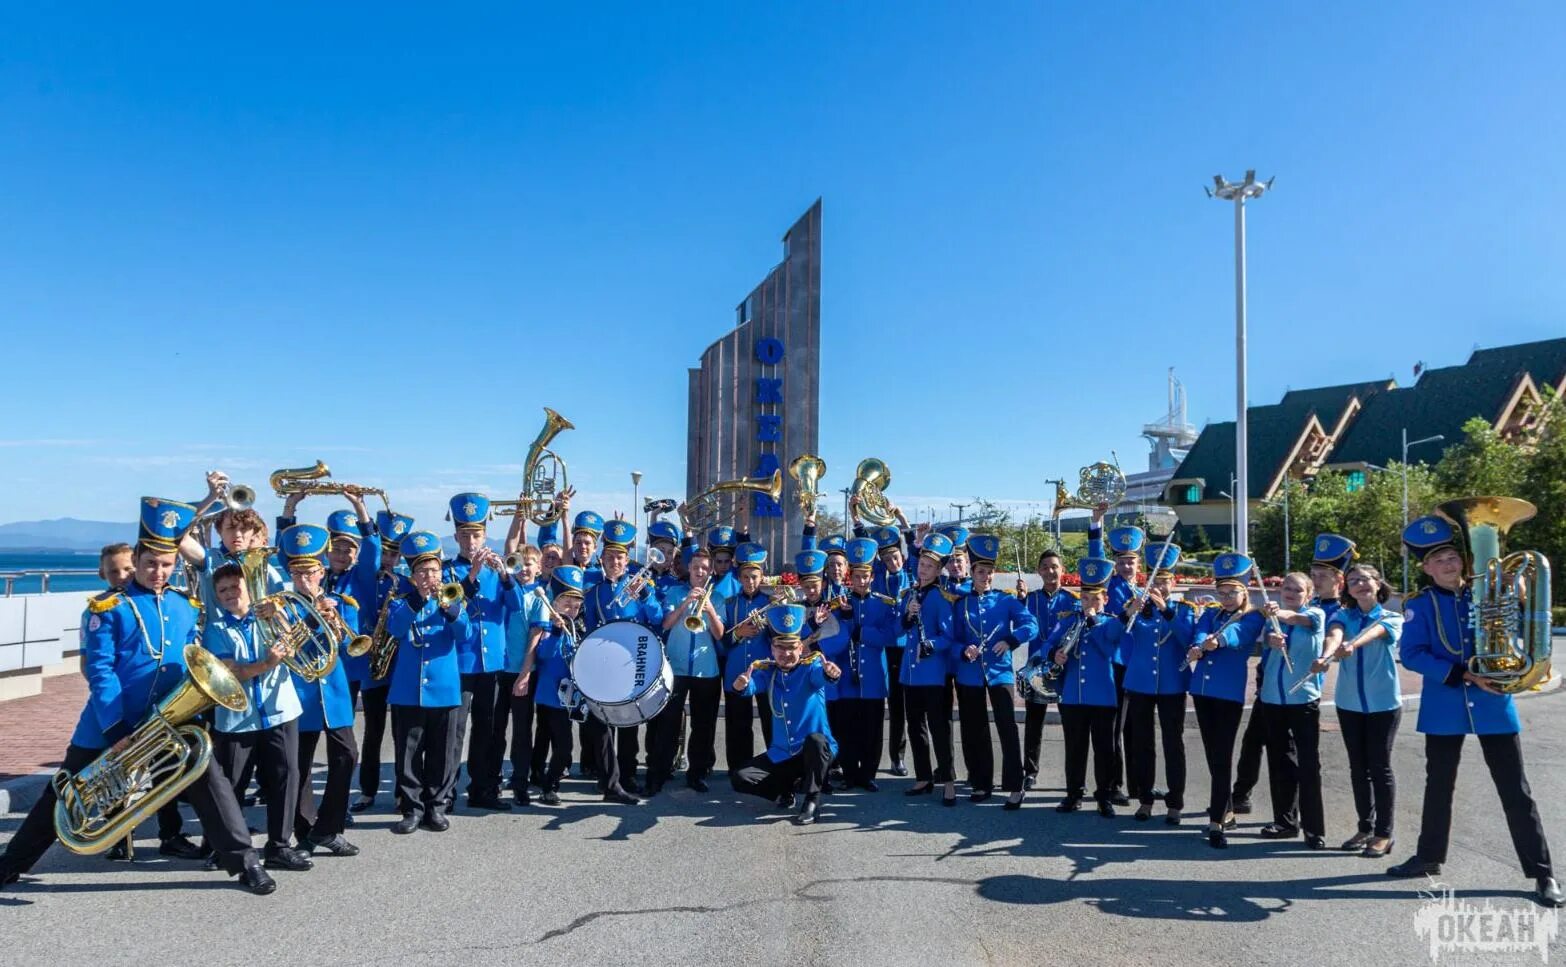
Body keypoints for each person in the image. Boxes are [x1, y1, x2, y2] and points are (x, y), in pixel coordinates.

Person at [0, 498, 273, 895]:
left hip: (172, 719)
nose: (159, 572)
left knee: (210, 783)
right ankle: (10, 865)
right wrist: (115, 728)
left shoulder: (185, 605)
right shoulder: (109, 608)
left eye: (166, 565)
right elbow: (101, 672)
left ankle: (246, 863)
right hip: (111, 722)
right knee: (64, 792)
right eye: (151, 564)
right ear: (136, 561)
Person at [1388, 513, 1562, 907]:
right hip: (1447, 702)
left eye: (1452, 555)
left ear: (1463, 560)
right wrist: (1461, 674)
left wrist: (1517, 600)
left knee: (1515, 790)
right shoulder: (1420, 604)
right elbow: (1411, 653)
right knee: (1438, 786)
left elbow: (1520, 633)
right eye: (1439, 560)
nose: (1449, 564)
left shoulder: (1493, 592)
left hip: (1493, 702)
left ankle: (1542, 873)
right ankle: (1429, 856)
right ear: (1426, 567)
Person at [91, 541, 202, 863]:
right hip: (120, 709)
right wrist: (113, 721)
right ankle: (117, 833)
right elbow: (96, 667)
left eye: (127, 569)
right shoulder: (106, 607)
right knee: (115, 777)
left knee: (165, 774)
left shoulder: (180, 603)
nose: (123, 576)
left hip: (166, 708)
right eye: (115, 572)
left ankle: (171, 834)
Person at [1233, 533, 1351, 814]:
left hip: (1302, 690)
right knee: (1254, 742)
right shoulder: (1293, 603)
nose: (1318, 579)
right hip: (1271, 687)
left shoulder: (1338, 612)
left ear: (1339, 580)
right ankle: (1241, 793)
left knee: (1296, 755)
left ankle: (1302, 814)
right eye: (1314, 574)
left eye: (1323, 575)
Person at [206, 562, 311, 872]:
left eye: (235, 587)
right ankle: (226, 848)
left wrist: (279, 620)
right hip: (237, 717)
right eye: (222, 590)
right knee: (232, 785)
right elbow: (232, 673)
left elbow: (293, 649)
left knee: (286, 777)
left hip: (280, 709)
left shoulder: (272, 615)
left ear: (248, 589)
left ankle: (279, 845)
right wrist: (267, 663)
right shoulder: (215, 630)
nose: (229, 594)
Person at [277, 524, 360, 858]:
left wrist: (332, 617)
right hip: (301, 694)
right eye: (297, 573)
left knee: (347, 755)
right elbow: (287, 646)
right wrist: (313, 619)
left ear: (321, 571)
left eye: (309, 572)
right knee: (300, 766)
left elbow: (349, 644)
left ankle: (328, 827)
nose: (303, 579)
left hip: (335, 693)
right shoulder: (284, 606)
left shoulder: (341, 601)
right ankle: (305, 830)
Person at [445, 492, 527, 812]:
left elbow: (517, 606)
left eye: (476, 534)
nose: (470, 541)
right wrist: (473, 574)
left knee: (490, 729)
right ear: (456, 536)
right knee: (455, 731)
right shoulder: (452, 571)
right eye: (464, 535)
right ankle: (446, 794)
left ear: (485, 535)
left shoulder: (498, 571)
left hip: (492, 662)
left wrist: (505, 574)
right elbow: (450, 603)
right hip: (462, 662)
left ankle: (484, 790)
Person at [385, 530, 472, 834]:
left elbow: (466, 635)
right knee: (408, 755)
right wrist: (415, 601)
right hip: (408, 691)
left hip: (445, 690)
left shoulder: (451, 599)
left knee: (442, 753)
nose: (429, 576)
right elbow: (395, 629)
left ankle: (436, 807)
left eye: (433, 570)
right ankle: (411, 809)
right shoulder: (400, 602)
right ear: (412, 576)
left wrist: (451, 610)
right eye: (422, 571)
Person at [729, 604, 844, 826]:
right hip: (784, 753)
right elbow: (750, 686)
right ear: (772, 650)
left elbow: (824, 676)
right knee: (741, 777)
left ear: (801, 649)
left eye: (792, 648)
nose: (786, 654)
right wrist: (740, 684)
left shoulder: (810, 669)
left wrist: (832, 674)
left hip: (816, 751)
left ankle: (812, 802)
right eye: (780, 648)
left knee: (816, 740)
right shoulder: (769, 672)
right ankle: (786, 789)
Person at [1319, 562, 1402, 857]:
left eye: (1365, 579)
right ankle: (1365, 827)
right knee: (1358, 767)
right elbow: (1335, 634)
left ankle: (1384, 833)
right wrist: (1328, 654)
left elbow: (1377, 631)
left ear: (1378, 584)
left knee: (1380, 766)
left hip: (1383, 704)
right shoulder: (1343, 615)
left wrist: (1353, 644)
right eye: (1353, 581)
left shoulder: (1391, 617)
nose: (1360, 584)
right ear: (1348, 589)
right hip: (1349, 703)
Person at [1185, 553, 1267, 848]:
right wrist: (1198, 646)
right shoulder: (1212, 613)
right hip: (1203, 692)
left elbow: (1238, 634)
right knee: (1212, 756)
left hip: (1227, 695)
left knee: (1222, 758)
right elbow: (1201, 630)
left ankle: (1216, 821)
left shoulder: (1254, 615)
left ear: (1245, 591)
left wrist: (1216, 642)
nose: (1227, 598)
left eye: (1232, 592)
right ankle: (1228, 809)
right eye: (1222, 592)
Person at [580, 518, 664, 804]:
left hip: (632, 660)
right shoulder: (595, 591)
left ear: (628, 560)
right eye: (609, 556)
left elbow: (657, 620)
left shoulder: (640, 586)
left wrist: (647, 597)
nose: (614, 561)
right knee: (603, 722)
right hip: (606, 662)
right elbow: (591, 626)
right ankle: (608, 781)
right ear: (601, 559)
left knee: (628, 722)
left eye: (619, 556)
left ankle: (627, 775)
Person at [951, 534, 1038, 808]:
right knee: (974, 730)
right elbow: (952, 638)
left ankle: (1015, 785)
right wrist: (964, 650)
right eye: (980, 571)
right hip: (969, 674)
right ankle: (980, 782)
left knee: (1007, 728)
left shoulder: (1005, 601)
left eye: (989, 572)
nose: (985, 576)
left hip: (1000, 673)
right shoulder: (960, 604)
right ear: (972, 572)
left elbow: (1031, 625)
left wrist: (1011, 640)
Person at [1116, 543, 1193, 824]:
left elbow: (1187, 639)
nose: (1159, 586)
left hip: (1172, 684)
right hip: (1140, 684)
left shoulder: (1183, 610)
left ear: (1173, 582)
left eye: (1164, 581)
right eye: (1154, 581)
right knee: (1142, 743)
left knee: (1173, 743)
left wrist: (1166, 611)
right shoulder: (1137, 608)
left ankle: (1175, 803)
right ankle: (1145, 799)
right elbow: (1117, 633)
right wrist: (1129, 612)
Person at [815, 537, 896, 791]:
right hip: (848, 677)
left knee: (872, 730)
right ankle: (850, 773)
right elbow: (831, 637)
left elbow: (888, 636)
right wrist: (848, 621)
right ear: (851, 576)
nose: (861, 581)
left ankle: (868, 774)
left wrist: (860, 630)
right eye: (857, 576)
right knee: (848, 730)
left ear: (872, 577)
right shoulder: (840, 604)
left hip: (872, 677)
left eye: (866, 576)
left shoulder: (882, 604)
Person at [1255, 572, 1328, 848]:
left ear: (1308, 595)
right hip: (1273, 699)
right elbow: (1266, 646)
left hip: (1303, 700)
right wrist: (1272, 641)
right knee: (1280, 762)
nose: (1290, 592)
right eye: (1286, 588)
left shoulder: (1315, 615)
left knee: (1308, 764)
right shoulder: (1271, 619)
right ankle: (1285, 821)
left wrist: (1282, 615)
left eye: (1297, 590)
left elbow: (1300, 620)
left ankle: (1314, 828)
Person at [349, 509, 415, 814]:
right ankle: (368, 790)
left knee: (401, 734)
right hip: (374, 664)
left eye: (394, 553)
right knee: (372, 731)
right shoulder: (366, 578)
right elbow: (368, 552)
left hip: (399, 664)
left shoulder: (405, 583)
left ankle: (403, 792)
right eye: (385, 552)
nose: (388, 559)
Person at [648, 545, 725, 794]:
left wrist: (710, 609)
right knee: (667, 723)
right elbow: (666, 623)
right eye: (696, 567)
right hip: (677, 666)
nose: (700, 571)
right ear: (689, 568)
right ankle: (659, 773)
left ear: (710, 570)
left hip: (706, 670)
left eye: (704, 568)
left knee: (703, 725)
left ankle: (697, 773)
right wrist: (684, 604)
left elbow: (720, 634)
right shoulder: (674, 592)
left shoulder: (718, 597)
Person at [1048, 558, 1121, 816]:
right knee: (1074, 748)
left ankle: (1104, 796)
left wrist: (1091, 623)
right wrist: (1055, 654)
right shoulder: (1068, 620)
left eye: (1095, 599)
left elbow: (1111, 651)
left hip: (1103, 695)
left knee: (1104, 750)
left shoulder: (1111, 623)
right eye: (1085, 599)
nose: (1089, 604)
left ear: (1106, 600)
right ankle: (1073, 794)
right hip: (1073, 696)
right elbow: (1050, 644)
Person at [899, 534, 959, 805]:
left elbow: (948, 636)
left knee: (938, 727)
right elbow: (900, 630)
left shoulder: (940, 597)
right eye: (922, 564)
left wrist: (931, 645)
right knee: (915, 727)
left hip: (933, 673)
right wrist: (908, 615)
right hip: (909, 674)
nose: (923, 569)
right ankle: (923, 776)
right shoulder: (910, 594)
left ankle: (948, 780)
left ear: (938, 571)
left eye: (929, 566)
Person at [1087, 512, 1141, 806]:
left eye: (1129, 561)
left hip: (1139, 668)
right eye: (1120, 561)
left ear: (1137, 563)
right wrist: (1097, 525)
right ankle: (1115, 784)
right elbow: (1097, 559)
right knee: (1117, 729)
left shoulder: (1144, 591)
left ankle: (1137, 784)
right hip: (1119, 664)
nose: (1124, 566)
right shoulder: (1110, 585)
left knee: (1136, 728)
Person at [525, 566, 588, 805]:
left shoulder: (574, 628)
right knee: (562, 746)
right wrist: (557, 631)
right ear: (555, 604)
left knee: (549, 739)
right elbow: (544, 656)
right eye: (566, 605)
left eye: (576, 606)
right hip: (549, 696)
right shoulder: (549, 629)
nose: (572, 610)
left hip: (568, 698)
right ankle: (548, 785)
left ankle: (540, 776)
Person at [1020, 548, 1081, 790]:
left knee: (1072, 725)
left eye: (1054, 566)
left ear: (1062, 570)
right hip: (1036, 668)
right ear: (1038, 571)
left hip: (1065, 668)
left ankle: (1073, 776)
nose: (1050, 571)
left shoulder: (1073, 600)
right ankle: (1030, 771)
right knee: (1034, 723)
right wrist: (1019, 599)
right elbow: (1018, 622)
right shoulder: (1030, 598)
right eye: (1044, 567)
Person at [719, 542, 777, 771]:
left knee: (770, 721)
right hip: (737, 670)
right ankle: (739, 767)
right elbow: (721, 639)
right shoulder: (730, 603)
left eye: (754, 576)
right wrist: (738, 634)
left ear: (761, 576)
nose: (750, 581)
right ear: (739, 578)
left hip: (765, 672)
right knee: (737, 723)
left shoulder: (771, 603)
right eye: (746, 577)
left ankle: (775, 765)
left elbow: (780, 637)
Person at [496, 544, 546, 806]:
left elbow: (534, 640)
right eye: (520, 563)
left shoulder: (539, 597)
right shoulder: (503, 591)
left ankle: (520, 781)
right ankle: (490, 778)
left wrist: (525, 674)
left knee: (521, 731)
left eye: (530, 564)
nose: (524, 568)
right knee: (494, 730)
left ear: (539, 568)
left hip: (521, 673)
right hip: (497, 671)